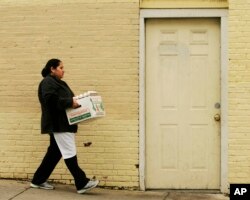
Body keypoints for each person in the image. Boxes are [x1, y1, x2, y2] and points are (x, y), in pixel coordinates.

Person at [30, 58, 99, 194]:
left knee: (54, 153)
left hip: (63, 123)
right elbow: (50, 99)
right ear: (52, 69)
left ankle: (38, 180)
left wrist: (77, 105)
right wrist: (69, 102)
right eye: (61, 67)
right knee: (69, 151)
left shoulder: (59, 83)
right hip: (58, 124)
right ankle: (82, 182)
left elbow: (68, 100)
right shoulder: (48, 82)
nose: (63, 70)